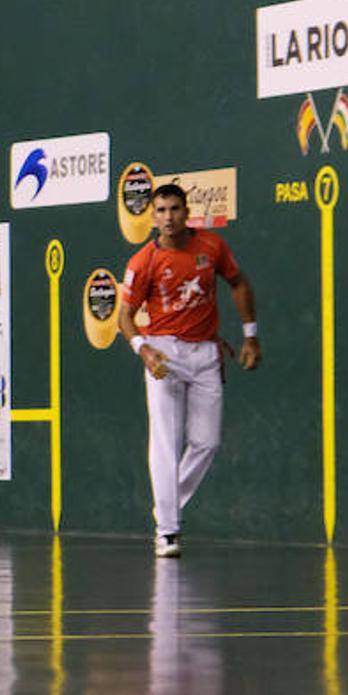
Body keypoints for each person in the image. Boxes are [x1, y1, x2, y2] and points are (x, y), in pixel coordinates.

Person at [118, 183, 260, 558]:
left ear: (187, 211)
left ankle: (166, 504)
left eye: (175, 209)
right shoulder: (142, 262)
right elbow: (124, 317)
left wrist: (251, 337)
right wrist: (143, 350)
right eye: (161, 210)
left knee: (207, 442)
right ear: (152, 216)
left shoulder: (212, 247)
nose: (168, 217)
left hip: (206, 351)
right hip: (163, 351)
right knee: (166, 441)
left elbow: (239, 283)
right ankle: (167, 530)